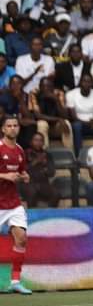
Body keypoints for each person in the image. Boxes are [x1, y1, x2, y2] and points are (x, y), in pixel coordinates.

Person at [0, 116, 31, 294]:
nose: (12, 128)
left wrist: (25, 176)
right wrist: (5, 176)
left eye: (15, 125)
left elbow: (21, 171)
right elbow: (7, 175)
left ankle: (15, 281)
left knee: (21, 238)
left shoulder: (19, 150)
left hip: (13, 203)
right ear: (3, 129)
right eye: (9, 126)